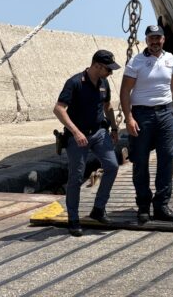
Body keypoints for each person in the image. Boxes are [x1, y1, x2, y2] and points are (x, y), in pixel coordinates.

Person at [53, 50, 121, 237]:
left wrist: (114, 129)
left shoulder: (104, 83)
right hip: (78, 136)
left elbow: (107, 107)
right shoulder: (75, 83)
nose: (111, 73)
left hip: (99, 133)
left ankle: (98, 209)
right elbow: (59, 109)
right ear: (97, 66)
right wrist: (75, 132)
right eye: (108, 69)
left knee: (112, 166)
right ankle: (73, 219)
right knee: (76, 177)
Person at [120, 24, 173, 224]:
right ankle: (143, 206)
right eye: (151, 38)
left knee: (167, 158)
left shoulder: (170, 58)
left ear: (163, 39)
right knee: (140, 161)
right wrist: (129, 118)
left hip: (166, 113)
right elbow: (124, 91)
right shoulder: (136, 62)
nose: (155, 42)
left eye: (158, 38)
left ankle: (162, 205)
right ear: (146, 40)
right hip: (142, 115)